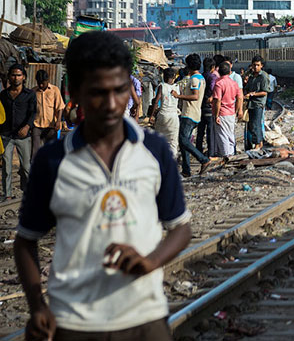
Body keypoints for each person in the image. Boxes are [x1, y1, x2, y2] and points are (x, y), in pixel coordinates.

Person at [13, 30, 191, 341]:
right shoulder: (53, 161)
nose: (111, 104)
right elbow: (26, 240)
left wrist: (150, 261)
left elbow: (180, 228)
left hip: (145, 320)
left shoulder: (154, 150)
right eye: (98, 92)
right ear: (77, 94)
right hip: (73, 322)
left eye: (120, 90)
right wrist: (37, 306)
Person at [0, 64, 36, 200]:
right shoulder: (3, 95)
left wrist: (27, 126)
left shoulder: (30, 95)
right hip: (6, 135)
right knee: (6, 167)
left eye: (19, 75)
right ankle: (7, 194)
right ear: (9, 77)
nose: (16, 78)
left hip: (23, 136)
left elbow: (33, 113)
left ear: (24, 77)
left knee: (26, 167)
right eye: (13, 75)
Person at [172, 54, 211, 177]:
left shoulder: (194, 79)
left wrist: (178, 96)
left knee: (183, 140)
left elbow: (195, 96)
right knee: (184, 142)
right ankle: (186, 169)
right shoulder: (200, 78)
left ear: (188, 66)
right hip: (193, 112)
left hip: (190, 113)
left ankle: (203, 159)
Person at [211, 62, 243, 157]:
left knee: (222, 136)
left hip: (222, 113)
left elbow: (218, 100)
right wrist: (236, 110)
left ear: (219, 72)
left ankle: (226, 156)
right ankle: (231, 154)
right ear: (229, 72)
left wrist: (216, 115)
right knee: (230, 135)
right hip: (231, 113)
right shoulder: (234, 83)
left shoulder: (219, 83)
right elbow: (240, 97)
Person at [32, 70, 65, 159]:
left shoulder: (55, 90)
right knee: (35, 151)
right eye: (39, 83)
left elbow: (60, 107)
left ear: (47, 80)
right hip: (36, 125)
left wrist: (58, 121)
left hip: (51, 126)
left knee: (51, 151)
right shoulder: (33, 92)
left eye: (43, 83)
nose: (41, 85)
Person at [149, 67, 180, 157]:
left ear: (164, 76)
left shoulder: (162, 86)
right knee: (173, 142)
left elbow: (156, 101)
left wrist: (152, 115)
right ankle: (172, 162)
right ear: (174, 76)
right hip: (174, 116)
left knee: (160, 139)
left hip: (163, 115)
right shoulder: (177, 87)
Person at [243, 55, 270, 150]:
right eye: (254, 65)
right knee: (250, 125)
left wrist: (253, 94)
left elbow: (265, 92)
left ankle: (258, 143)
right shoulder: (250, 76)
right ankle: (255, 143)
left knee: (256, 124)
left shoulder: (263, 76)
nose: (255, 67)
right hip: (250, 104)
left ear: (261, 65)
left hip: (258, 103)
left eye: (257, 65)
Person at [196, 57, 217, 157]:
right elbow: (214, 90)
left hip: (200, 107)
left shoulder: (200, 77)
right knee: (210, 131)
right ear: (213, 67)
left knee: (200, 131)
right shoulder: (212, 77)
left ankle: (198, 151)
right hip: (209, 107)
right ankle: (211, 152)